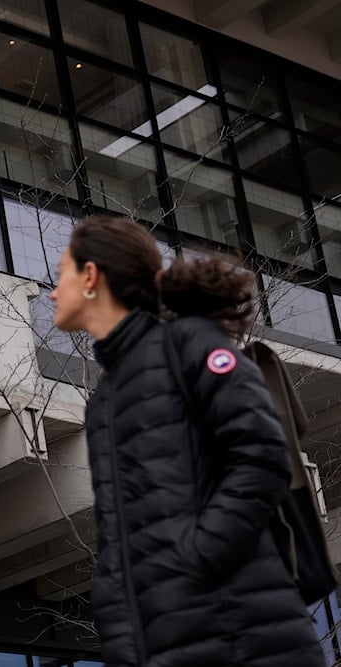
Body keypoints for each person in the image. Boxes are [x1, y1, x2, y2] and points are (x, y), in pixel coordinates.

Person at [50, 215, 324, 667]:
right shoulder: (105, 399)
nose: (54, 292)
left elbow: (262, 456)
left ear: (92, 276)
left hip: (241, 638)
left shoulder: (187, 344)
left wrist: (194, 560)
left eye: (61, 275)